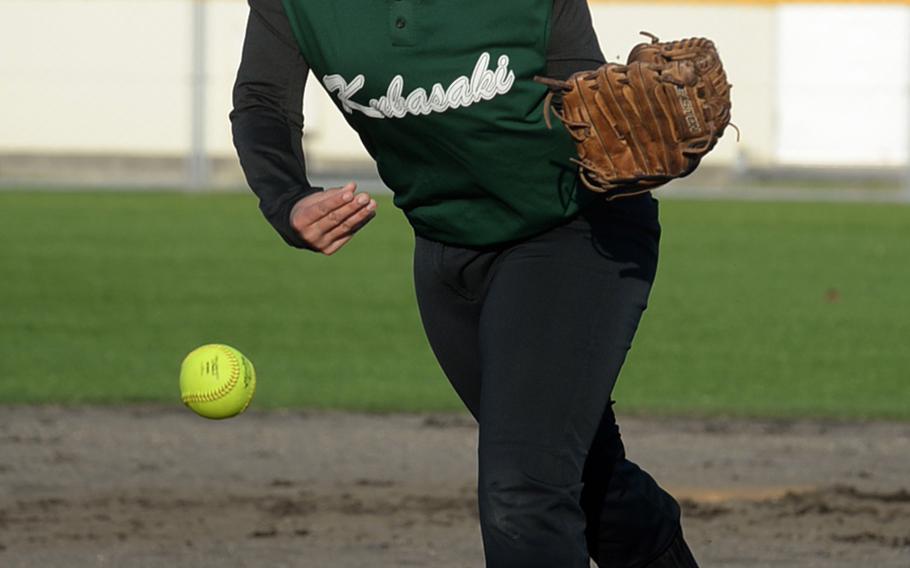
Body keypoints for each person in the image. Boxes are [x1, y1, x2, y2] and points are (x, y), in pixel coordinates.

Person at [231, 1, 698, 566]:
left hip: (574, 234)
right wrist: (287, 196)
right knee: (589, 485)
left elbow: (583, 84)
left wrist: (638, 127)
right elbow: (261, 100)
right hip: (446, 251)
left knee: (521, 495)